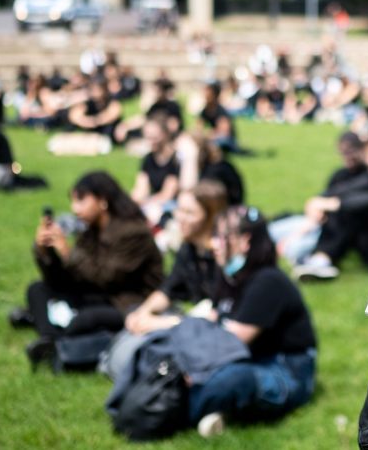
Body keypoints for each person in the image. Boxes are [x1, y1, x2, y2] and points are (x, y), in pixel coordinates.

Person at [186, 206, 317, 437]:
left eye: (220, 236)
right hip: (249, 358)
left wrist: (195, 371)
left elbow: (232, 343)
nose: (213, 244)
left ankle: (178, 408)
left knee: (233, 379)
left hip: (286, 369)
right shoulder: (228, 275)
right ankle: (213, 406)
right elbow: (213, 322)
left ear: (244, 241)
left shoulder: (268, 281)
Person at [16, 171, 164, 369]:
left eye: (81, 201)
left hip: (129, 301)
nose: (75, 209)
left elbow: (107, 278)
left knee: (87, 319)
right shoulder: (90, 229)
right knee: (37, 289)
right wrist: (46, 253)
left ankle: (51, 328)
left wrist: (68, 253)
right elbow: (65, 279)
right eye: (73, 202)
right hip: (97, 293)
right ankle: (49, 338)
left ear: (102, 200)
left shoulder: (132, 232)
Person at [292, 130, 368, 280]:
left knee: (351, 209)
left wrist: (337, 204)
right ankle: (320, 258)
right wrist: (319, 200)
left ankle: (321, 259)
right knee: (348, 206)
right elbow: (348, 188)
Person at [124, 179, 230, 335]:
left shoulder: (223, 256)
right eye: (179, 209)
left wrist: (162, 323)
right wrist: (142, 313)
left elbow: (218, 315)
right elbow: (169, 289)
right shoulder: (189, 249)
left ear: (211, 217)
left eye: (189, 213)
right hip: (194, 321)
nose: (179, 217)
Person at [268, 131, 365, 264]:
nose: (346, 156)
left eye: (350, 151)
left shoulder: (366, 177)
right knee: (270, 231)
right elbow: (317, 202)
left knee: (293, 250)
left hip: (331, 231)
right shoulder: (339, 175)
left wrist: (325, 205)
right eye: (342, 152)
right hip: (316, 222)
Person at [130, 118, 181, 231]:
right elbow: (141, 189)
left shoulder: (175, 159)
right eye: (148, 137)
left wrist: (146, 203)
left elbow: (168, 194)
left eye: (154, 137)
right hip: (153, 202)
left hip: (171, 204)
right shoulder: (148, 159)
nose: (151, 141)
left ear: (165, 134)